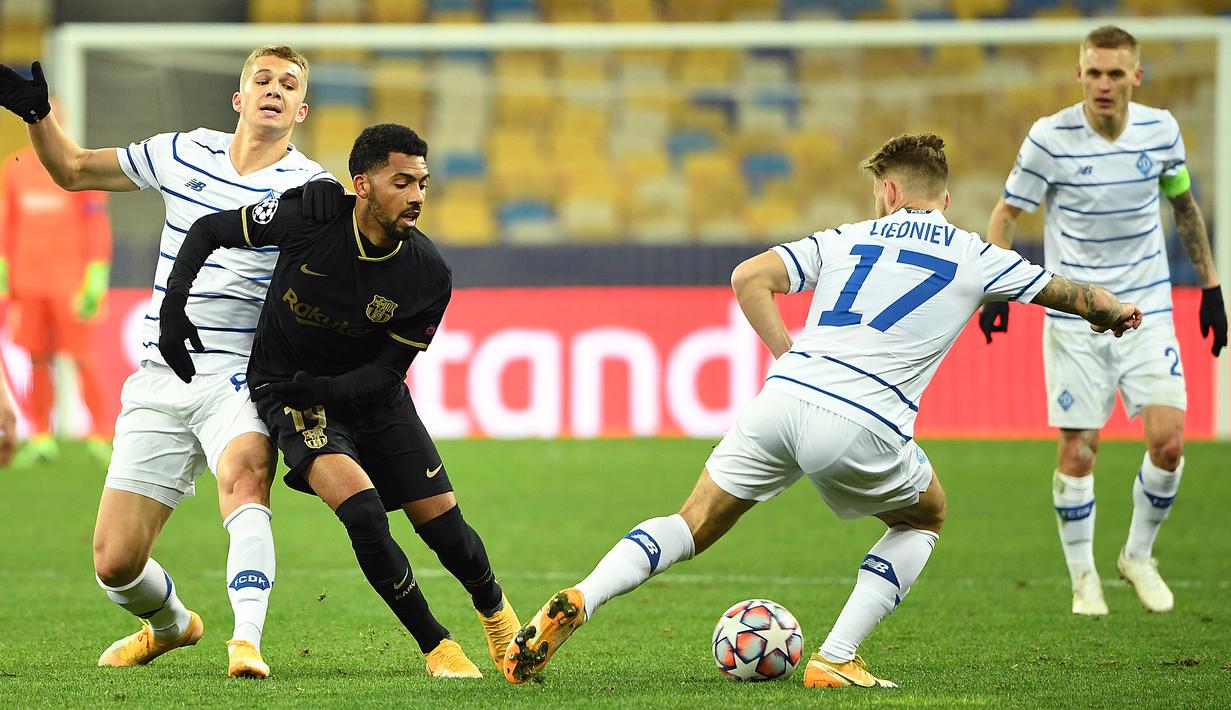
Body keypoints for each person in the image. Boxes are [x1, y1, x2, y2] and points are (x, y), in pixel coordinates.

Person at [502, 133, 1142, 689]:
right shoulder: (974, 253)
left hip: (784, 398)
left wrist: (788, 356)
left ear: (888, 192)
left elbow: (748, 278)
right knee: (925, 515)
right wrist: (1115, 312)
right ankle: (837, 656)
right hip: (864, 419)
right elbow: (1074, 295)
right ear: (944, 198)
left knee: (691, 522)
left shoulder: (847, 237)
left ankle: (585, 594)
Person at [0, 47, 345, 678]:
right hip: (160, 375)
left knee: (246, 479)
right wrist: (36, 116)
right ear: (239, 98)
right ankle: (172, 625)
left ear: (301, 108)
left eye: (289, 84)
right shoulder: (183, 152)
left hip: (239, 375)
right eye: (263, 79)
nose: (274, 89)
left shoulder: (314, 189)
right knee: (114, 563)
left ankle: (246, 642)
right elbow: (73, 169)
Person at [157, 123, 521, 679]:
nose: (417, 196)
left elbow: (386, 372)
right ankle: (438, 648)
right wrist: (173, 307)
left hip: (372, 399)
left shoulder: (428, 274)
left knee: (447, 532)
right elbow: (208, 229)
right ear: (363, 185)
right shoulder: (310, 217)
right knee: (364, 514)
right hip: (291, 395)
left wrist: (325, 388)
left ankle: (496, 614)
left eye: (422, 183)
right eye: (401, 182)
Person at [981, 25, 1226, 616]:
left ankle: (1138, 555)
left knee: (1169, 442)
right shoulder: (1050, 138)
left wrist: (1212, 288)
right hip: (1077, 312)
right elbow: (1006, 213)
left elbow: (1184, 207)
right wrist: (996, 290)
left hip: (1149, 307)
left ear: (1136, 76)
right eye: (1094, 72)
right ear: (1079, 75)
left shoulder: (1161, 131)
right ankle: (1083, 577)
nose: (1104, 84)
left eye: (1116, 73)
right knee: (1080, 452)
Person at [0, 100, 113, 467]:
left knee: (82, 358)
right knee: (36, 359)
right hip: (27, 284)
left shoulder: (79, 165)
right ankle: (41, 437)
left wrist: (96, 277)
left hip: (70, 285)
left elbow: (96, 225)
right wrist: (4, 270)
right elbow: (7, 224)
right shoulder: (14, 168)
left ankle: (101, 436)